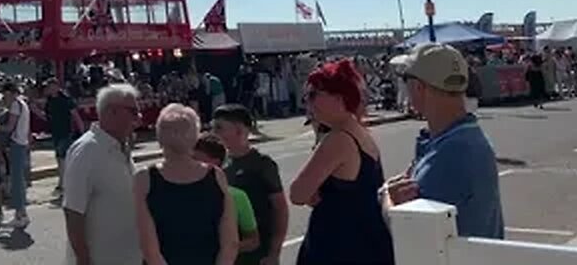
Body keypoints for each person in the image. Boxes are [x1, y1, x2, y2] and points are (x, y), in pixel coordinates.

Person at [383, 43, 504, 239]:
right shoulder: (462, 138)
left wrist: (387, 199)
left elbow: (411, 232)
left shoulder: (452, 153)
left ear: (418, 87)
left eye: (405, 80)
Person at [289, 60, 394, 265]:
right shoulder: (360, 133)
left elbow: (297, 193)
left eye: (313, 96)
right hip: (368, 242)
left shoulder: (338, 139)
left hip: (338, 247)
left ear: (339, 97)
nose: (308, 104)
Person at [137, 103, 237, 265]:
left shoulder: (144, 179)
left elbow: (150, 250)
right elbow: (230, 243)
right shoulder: (216, 176)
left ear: (160, 137)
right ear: (194, 137)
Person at [62, 84, 142, 265]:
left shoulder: (120, 147)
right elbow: (73, 211)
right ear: (112, 112)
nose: (138, 119)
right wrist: (83, 258)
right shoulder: (87, 150)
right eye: (133, 112)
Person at [212, 105, 287, 265]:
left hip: (258, 251)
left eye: (219, 128)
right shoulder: (218, 166)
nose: (214, 133)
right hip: (231, 251)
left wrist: (274, 253)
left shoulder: (262, 164)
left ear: (239, 130)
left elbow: (280, 209)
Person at [194, 134, 260, 256]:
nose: (190, 164)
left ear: (215, 162)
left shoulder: (236, 196)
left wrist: (224, 248)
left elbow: (253, 240)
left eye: (197, 160)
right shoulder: (179, 193)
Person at [41, 78, 85, 194]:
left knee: (62, 158)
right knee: (60, 159)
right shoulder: (49, 101)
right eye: (48, 87)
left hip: (66, 132)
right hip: (56, 132)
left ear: (56, 86)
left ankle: (63, 184)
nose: (49, 89)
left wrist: (82, 131)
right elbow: (47, 117)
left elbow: (76, 115)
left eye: (51, 86)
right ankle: (65, 183)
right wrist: (36, 111)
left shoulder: (65, 99)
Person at [0, 81, 32, 229]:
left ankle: (20, 214)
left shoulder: (14, 105)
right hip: (22, 143)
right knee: (19, 179)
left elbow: (9, 127)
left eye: (6, 95)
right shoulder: (22, 104)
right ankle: (21, 213)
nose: (5, 98)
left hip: (17, 144)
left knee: (17, 180)